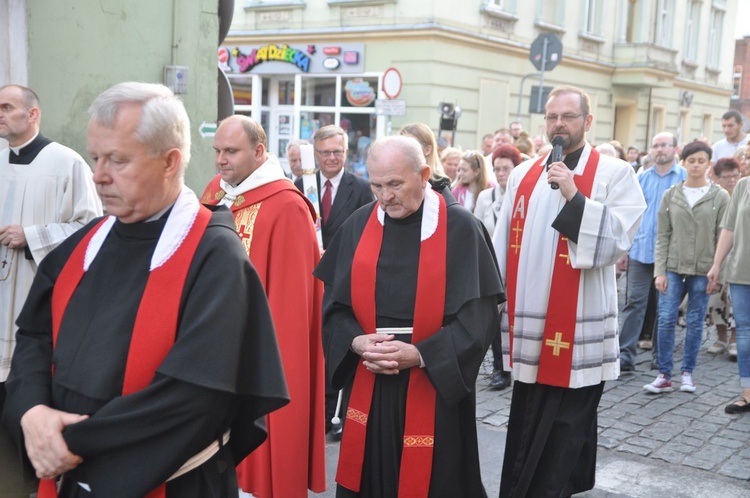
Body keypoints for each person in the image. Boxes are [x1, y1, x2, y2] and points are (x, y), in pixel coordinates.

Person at [1, 82, 289, 497]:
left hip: (169, 481)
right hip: (66, 471)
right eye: (96, 157)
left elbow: (194, 397)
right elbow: (34, 336)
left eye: (117, 161)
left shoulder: (215, 256)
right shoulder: (87, 241)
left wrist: (68, 442)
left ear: (170, 162)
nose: (99, 176)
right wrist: (31, 413)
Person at [315, 135, 503, 497]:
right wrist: (356, 341)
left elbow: (480, 319)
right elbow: (334, 307)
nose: (385, 197)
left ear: (423, 174)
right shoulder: (358, 226)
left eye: (395, 184)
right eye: (376, 185)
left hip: (433, 383)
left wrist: (420, 354)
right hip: (369, 377)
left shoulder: (460, 228)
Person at [493, 85, 645, 497]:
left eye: (568, 117)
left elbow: (617, 240)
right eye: (552, 117)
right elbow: (502, 235)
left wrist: (574, 192)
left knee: (569, 418)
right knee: (527, 412)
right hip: (530, 317)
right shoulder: (524, 174)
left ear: (588, 122)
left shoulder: (615, 173)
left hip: (578, 321)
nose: (558, 125)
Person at [201, 115, 326, 497]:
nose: (221, 160)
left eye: (231, 151)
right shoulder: (214, 193)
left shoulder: (286, 205)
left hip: (258, 351)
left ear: (258, 152)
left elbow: (292, 304)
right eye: (217, 151)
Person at [0, 84, 102, 496]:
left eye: (7, 107)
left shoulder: (67, 163)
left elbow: (92, 230)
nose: (0, 114)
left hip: (32, 297)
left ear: (33, 114)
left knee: (23, 397)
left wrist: (34, 235)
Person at [644, 141, 729, 394]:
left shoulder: (719, 196)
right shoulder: (672, 194)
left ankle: (687, 372)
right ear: (684, 163)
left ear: (709, 164)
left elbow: (722, 238)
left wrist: (718, 272)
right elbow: (663, 235)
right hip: (672, 264)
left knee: (694, 320)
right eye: (691, 161)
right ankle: (664, 373)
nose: (696, 165)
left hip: (704, 268)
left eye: (701, 161)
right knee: (667, 317)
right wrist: (659, 271)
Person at [618, 132, 686, 372]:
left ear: (675, 149)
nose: (659, 150)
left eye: (664, 145)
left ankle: (661, 356)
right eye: (655, 146)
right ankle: (625, 354)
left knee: (665, 307)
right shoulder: (642, 178)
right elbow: (631, 215)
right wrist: (624, 250)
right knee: (634, 302)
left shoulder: (685, 179)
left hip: (671, 255)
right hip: (641, 249)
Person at [474, 144, 523, 391]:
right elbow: (479, 230)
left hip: (519, 265)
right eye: (497, 169)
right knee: (495, 315)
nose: (502, 173)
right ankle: (500, 368)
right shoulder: (486, 197)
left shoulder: (525, 195)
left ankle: (521, 363)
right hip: (493, 264)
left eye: (507, 168)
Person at [708, 174, 750, 414]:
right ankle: (747, 393)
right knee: (745, 336)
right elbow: (729, 227)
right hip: (742, 273)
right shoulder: (744, 185)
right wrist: (716, 264)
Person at [294, 125, 373, 252]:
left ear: (346, 152)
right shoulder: (301, 185)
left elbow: (367, 234)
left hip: (344, 265)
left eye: (337, 152)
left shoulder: (362, 189)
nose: (331, 158)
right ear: (315, 153)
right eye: (325, 152)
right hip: (308, 263)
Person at [706, 157, 741, 359]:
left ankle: (735, 340)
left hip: (739, 254)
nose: (731, 180)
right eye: (726, 177)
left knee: (734, 299)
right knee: (715, 299)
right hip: (715, 254)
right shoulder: (714, 197)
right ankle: (720, 338)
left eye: (734, 175)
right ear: (717, 178)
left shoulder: (744, 192)